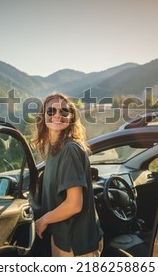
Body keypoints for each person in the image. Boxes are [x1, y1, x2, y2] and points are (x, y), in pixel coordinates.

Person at [32, 92, 103, 257]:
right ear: (43, 116)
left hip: (76, 245)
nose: (58, 115)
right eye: (51, 111)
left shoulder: (69, 150)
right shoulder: (53, 150)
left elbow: (74, 204)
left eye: (64, 111)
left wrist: (43, 221)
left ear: (71, 117)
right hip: (62, 238)